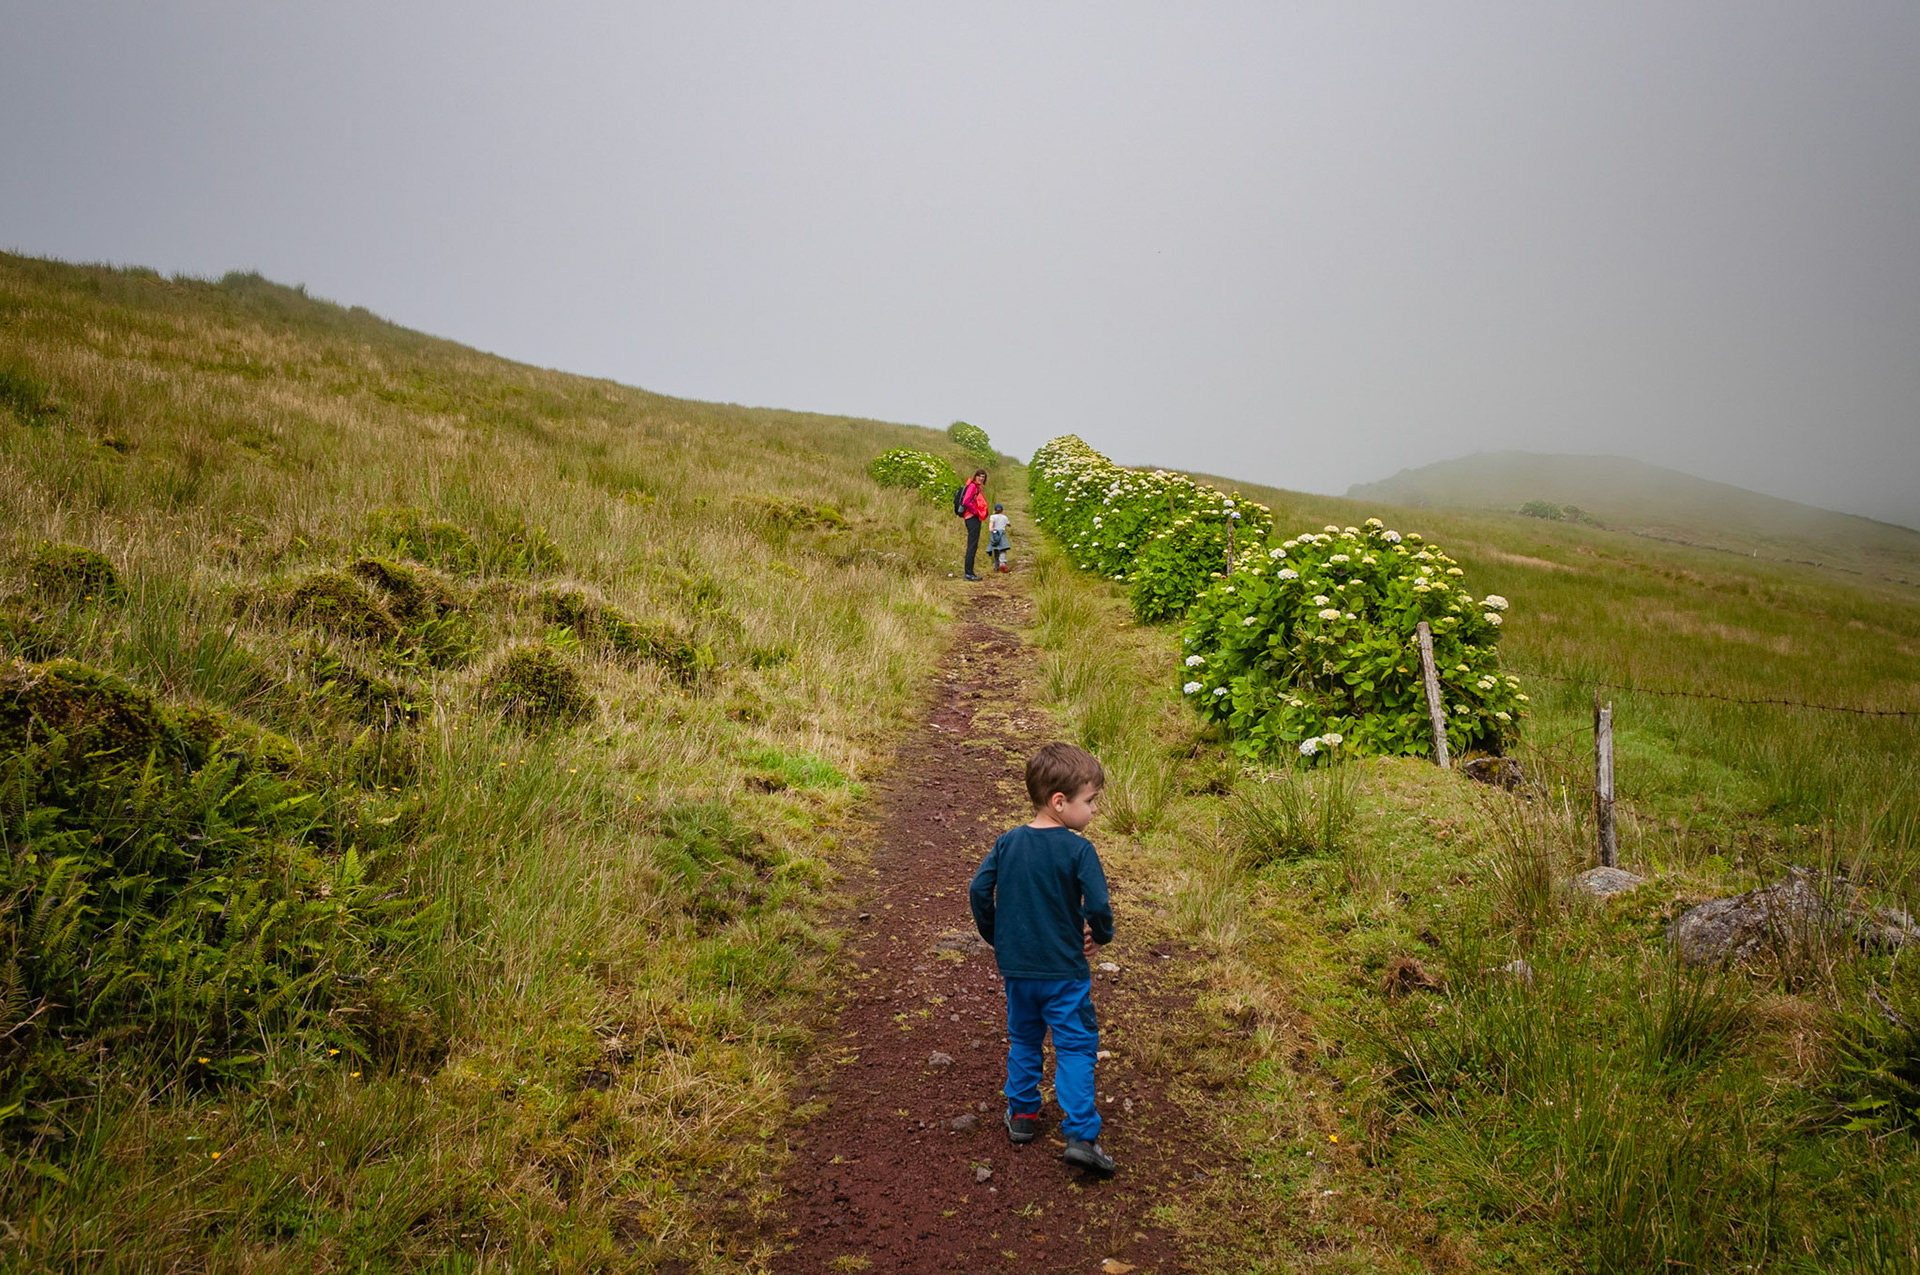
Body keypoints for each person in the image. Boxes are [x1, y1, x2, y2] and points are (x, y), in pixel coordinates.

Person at [968, 742, 1117, 1177]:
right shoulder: (1078, 850)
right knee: (1074, 1046)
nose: (1093, 811)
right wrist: (1100, 935)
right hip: (1065, 972)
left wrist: (997, 936)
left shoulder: (1008, 841)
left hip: (1017, 971)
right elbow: (1100, 906)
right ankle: (1081, 1135)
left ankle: (1023, 1117)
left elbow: (979, 891)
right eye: (1090, 802)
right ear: (1059, 802)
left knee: (1025, 1039)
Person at [960, 469, 989, 580]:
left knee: (973, 545)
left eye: (983, 477)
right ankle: (968, 574)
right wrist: (976, 512)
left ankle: (970, 572)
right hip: (972, 518)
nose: (981, 478)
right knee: (972, 546)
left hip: (973, 518)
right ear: (975, 476)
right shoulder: (972, 487)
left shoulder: (976, 487)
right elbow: (966, 501)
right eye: (979, 476)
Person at [987, 503, 1011, 573]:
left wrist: (991, 528)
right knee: (1003, 549)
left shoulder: (992, 516)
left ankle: (996, 566)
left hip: (994, 534)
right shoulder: (1004, 517)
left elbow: (991, 523)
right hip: (1002, 534)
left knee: (996, 550)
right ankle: (1002, 564)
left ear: (995, 510)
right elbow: (1009, 524)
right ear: (1002, 510)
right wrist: (1008, 524)